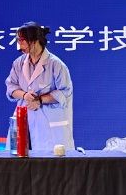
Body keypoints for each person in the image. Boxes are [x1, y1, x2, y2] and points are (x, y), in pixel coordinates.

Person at [5, 22, 74, 155]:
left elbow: (65, 92)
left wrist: (40, 100)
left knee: (49, 161)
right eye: (18, 40)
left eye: (22, 40)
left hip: (48, 124)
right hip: (24, 120)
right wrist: (24, 95)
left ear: (35, 41)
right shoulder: (19, 63)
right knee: (19, 158)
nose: (19, 44)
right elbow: (11, 86)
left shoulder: (56, 64)